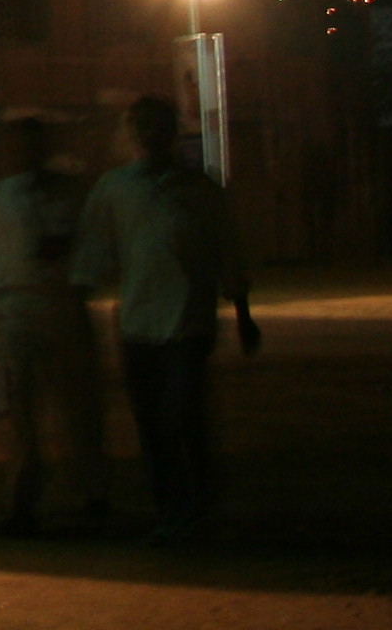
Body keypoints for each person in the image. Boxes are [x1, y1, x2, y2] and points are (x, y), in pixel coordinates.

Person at [71, 94, 256, 539]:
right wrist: (76, 307)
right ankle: (172, 509)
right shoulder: (116, 189)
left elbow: (228, 252)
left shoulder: (199, 191)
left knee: (181, 414)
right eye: (140, 127)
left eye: (156, 127)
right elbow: (91, 253)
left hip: (187, 324)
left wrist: (243, 312)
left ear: (170, 134)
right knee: (152, 422)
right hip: (138, 326)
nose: (147, 136)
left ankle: (194, 502)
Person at [0, 113, 106, 532]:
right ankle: (23, 500)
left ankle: (92, 494)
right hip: (17, 311)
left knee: (78, 408)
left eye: (28, 145)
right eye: (14, 146)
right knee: (23, 414)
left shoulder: (72, 193)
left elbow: (93, 247)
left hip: (63, 305)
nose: (20, 153)